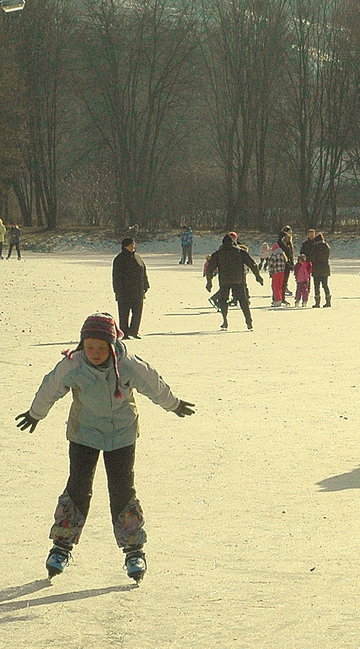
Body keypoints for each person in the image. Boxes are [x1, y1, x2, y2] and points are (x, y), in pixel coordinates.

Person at [15, 312, 195, 582]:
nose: (95, 353)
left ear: (112, 345)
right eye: (90, 347)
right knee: (77, 486)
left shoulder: (127, 365)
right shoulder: (73, 365)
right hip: (84, 433)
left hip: (121, 434)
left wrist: (174, 404)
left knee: (122, 489)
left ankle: (134, 550)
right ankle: (61, 546)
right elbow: (51, 386)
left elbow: (152, 384)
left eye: (101, 348)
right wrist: (35, 414)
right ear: (81, 345)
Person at [204, 232, 263, 331]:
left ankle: (225, 321)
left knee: (223, 300)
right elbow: (252, 264)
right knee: (243, 301)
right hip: (238, 280)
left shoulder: (218, 254)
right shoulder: (240, 252)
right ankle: (249, 322)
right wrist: (258, 276)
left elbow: (209, 269)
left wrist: (209, 282)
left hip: (224, 280)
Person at [111, 237, 149, 339]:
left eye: (133, 245)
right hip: (124, 291)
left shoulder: (138, 257)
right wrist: (117, 290)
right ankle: (124, 333)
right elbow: (116, 276)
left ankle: (134, 331)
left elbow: (143, 271)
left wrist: (146, 285)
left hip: (138, 290)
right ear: (125, 246)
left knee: (137, 312)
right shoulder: (119, 259)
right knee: (124, 313)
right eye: (131, 245)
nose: (133, 247)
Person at [308, 232, 333, 307]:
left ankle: (317, 302)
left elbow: (312, 258)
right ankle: (328, 301)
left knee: (317, 286)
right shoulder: (326, 247)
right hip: (325, 268)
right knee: (325, 285)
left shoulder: (316, 247)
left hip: (317, 268)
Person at [263, 240, 289, 307]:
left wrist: (270, 272)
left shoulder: (274, 255)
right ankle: (280, 298)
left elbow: (271, 265)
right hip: (282, 272)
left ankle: (277, 300)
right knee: (280, 286)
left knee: (275, 287)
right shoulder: (283, 255)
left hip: (275, 273)